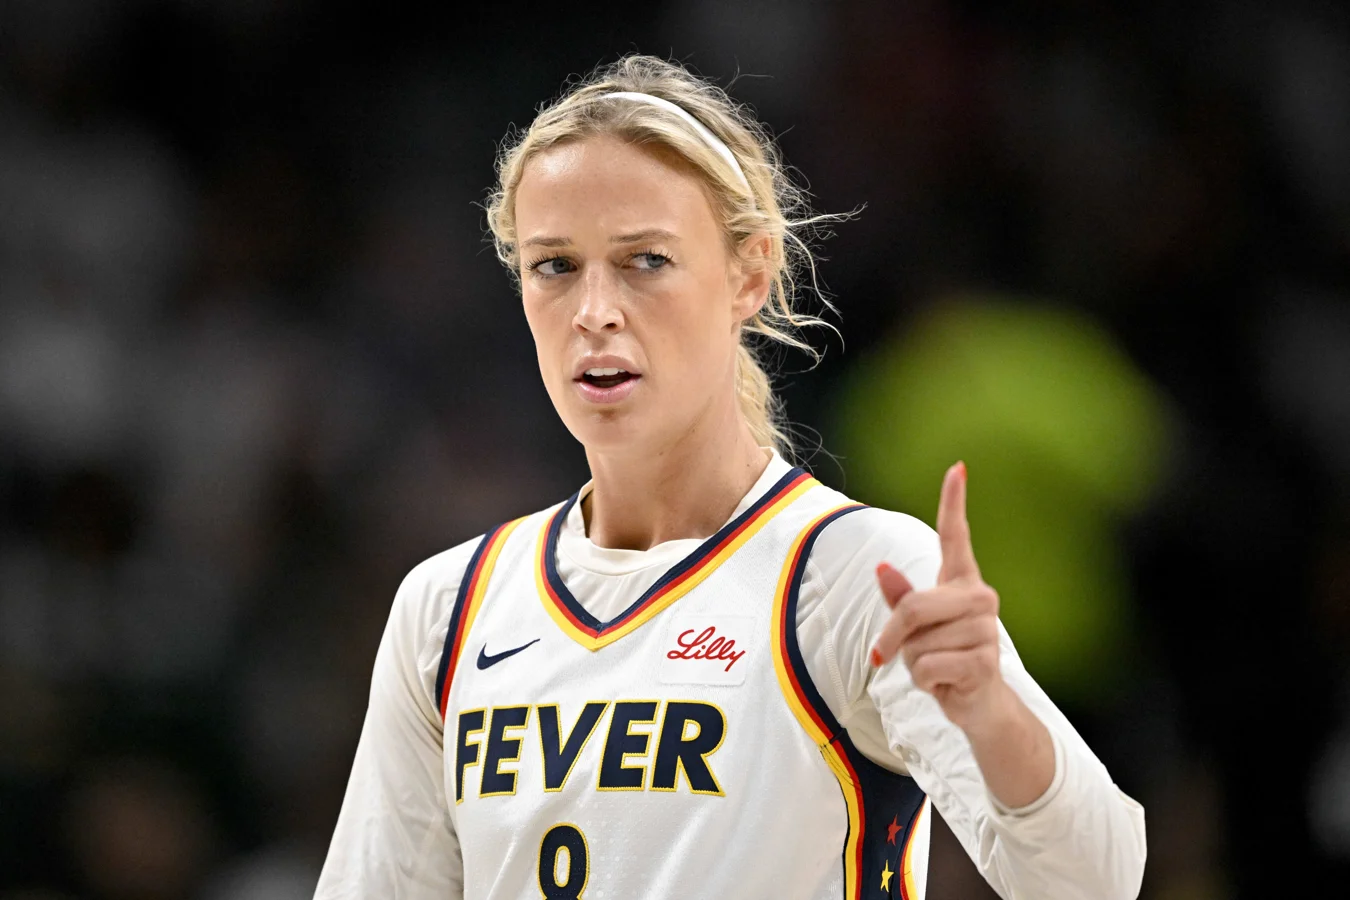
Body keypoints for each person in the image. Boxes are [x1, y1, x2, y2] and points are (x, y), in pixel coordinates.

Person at [314, 55, 1146, 900]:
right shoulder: (447, 607)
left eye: (645, 260)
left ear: (750, 273)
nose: (594, 311)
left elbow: (1098, 881)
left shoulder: (857, 575)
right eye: (555, 265)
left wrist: (992, 716)